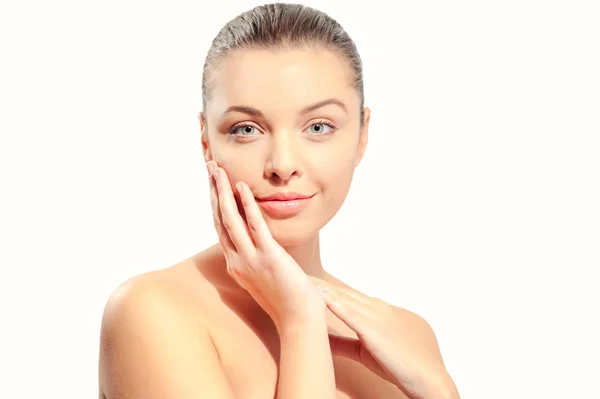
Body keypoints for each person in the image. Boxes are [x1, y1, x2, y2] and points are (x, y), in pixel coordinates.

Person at [98, 3, 460, 398]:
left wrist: (439, 389)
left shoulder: (407, 336)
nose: (283, 165)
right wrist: (299, 321)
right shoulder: (153, 313)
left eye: (319, 126)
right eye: (246, 129)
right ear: (206, 142)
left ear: (361, 135)